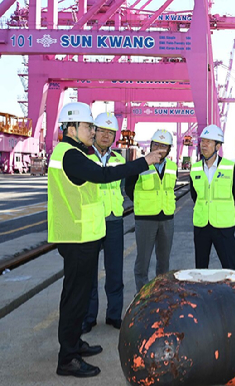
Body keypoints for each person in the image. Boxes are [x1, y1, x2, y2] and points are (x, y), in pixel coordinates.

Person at [48, 102, 164, 378]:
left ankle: (74, 343)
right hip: (76, 237)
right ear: (72, 128)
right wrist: (143, 161)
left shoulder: (74, 153)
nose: (93, 131)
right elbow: (103, 175)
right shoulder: (70, 155)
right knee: (75, 298)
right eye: (89, 127)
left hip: (83, 234)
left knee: (76, 293)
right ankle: (68, 359)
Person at [81, 112, 125, 334]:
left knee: (115, 271)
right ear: (94, 132)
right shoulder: (84, 157)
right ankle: (89, 317)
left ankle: (114, 315)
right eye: (102, 131)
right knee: (90, 272)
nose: (106, 136)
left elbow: (124, 188)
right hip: (91, 221)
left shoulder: (119, 159)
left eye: (110, 132)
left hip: (114, 220)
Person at [125, 129, 177, 292]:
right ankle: (143, 295)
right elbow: (129, 188)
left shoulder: (173, 167)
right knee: (143, 262)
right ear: (150, 145)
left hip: (166, 219)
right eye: (156, 145)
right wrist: (143, 203)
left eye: (163, 145)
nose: (159, 149)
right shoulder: (139, 165)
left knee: (164, 262)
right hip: (145, 219)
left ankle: (161, 294)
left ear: (169, 149)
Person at [189, 124, 235, 270]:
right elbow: (195, 195)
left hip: (223, 227)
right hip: (201, 226)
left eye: (208, 142)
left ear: (218, 146)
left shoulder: (231, 168)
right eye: (202, 141)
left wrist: (223, 210)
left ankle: (232, 293)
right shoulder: (194, 169)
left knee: (230, 269)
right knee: (200, 270)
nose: (203, 145)